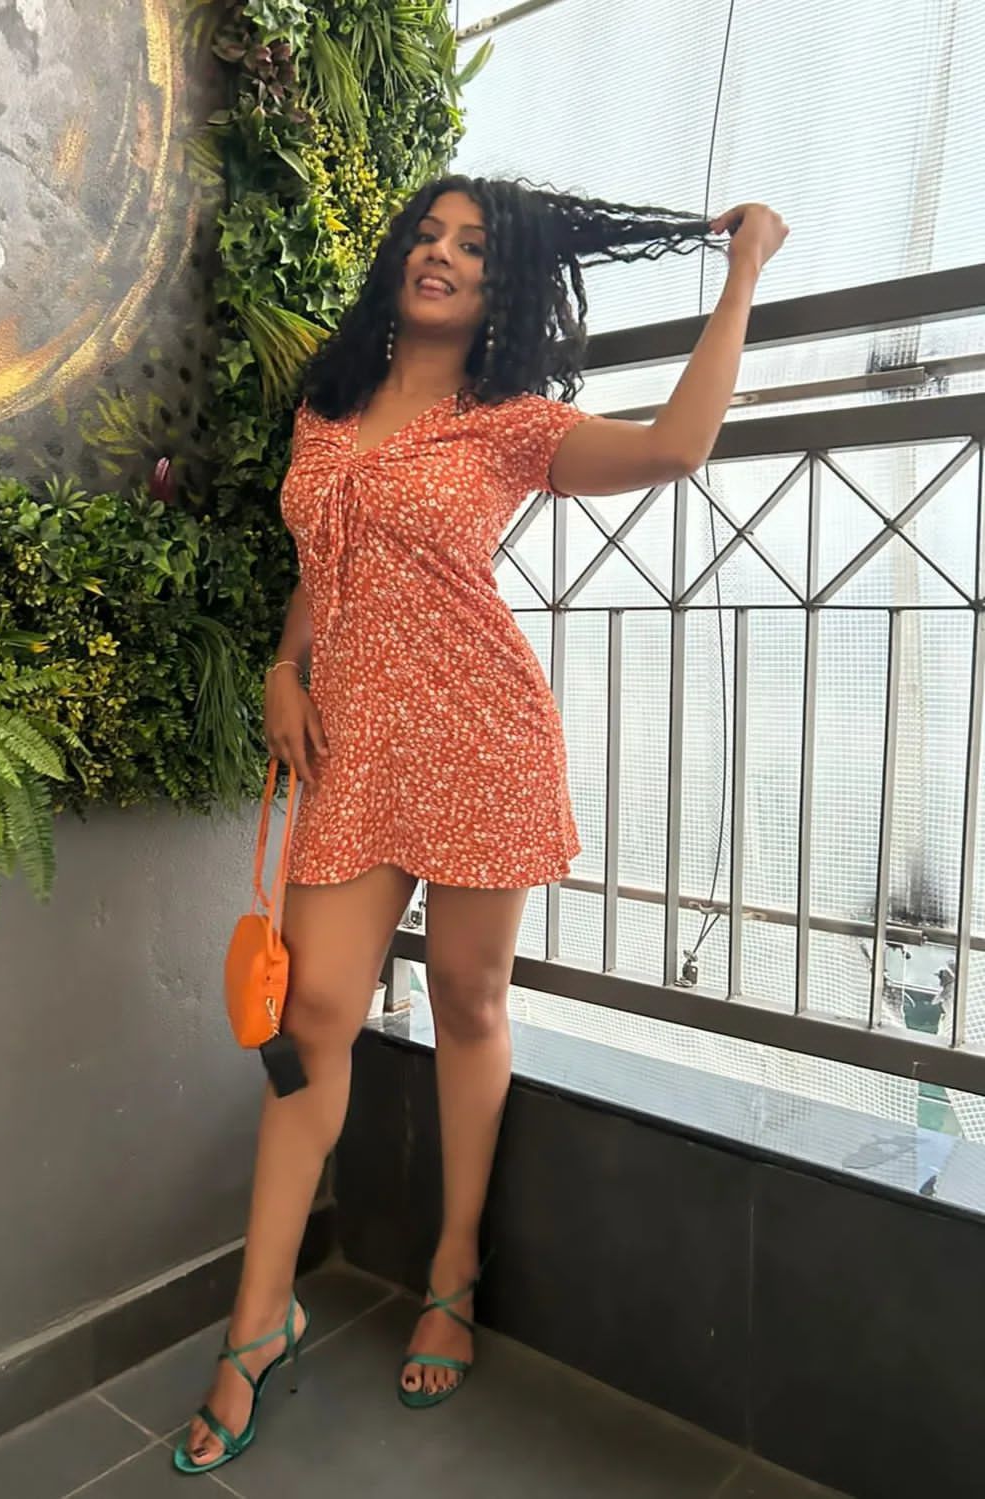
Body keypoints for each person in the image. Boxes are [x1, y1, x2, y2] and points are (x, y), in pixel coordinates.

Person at [174, 175, 788, 1475]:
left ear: (502, 285)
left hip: (477, 733)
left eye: (471, 246)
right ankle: (257, 1320)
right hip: (356, 751)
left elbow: (676, 450)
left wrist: (740, 277)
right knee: (312, 1018)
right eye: (426, 234)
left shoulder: (510, 423)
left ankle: (453, 1269)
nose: (441, 254)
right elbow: (321, 565)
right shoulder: (328, 405)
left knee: (467, 999)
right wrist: (284, 669)